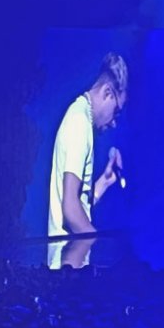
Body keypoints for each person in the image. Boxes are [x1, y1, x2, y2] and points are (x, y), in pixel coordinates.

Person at [48, 53, 128, 246]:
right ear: (107, 92)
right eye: (116, 111)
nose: (114, 122)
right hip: (69, 262)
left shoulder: (79, 117)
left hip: (69, 260)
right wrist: (97, 243)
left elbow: (77, 200)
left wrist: (104, 182)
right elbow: (70, 208)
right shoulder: (79, 123)